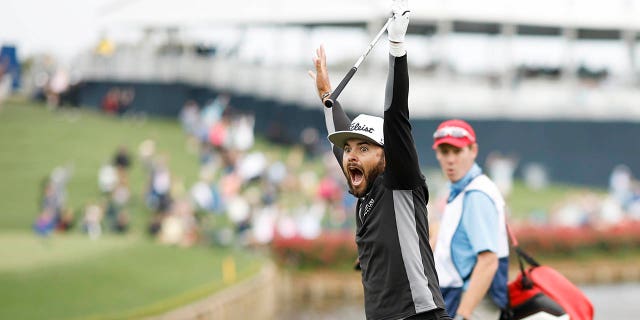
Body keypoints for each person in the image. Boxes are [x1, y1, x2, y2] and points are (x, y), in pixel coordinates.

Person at [309, 1, 449, 319]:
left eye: (364, 148)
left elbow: (396, 115)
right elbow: (341, 140)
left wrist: (396, 48)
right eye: (349, 150)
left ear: (386, 156)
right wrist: (326, 96)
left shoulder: (399, 180)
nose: (352, 156)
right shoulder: (365, 184)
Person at [431, 120, 509, 320]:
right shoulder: (459, 189)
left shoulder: (476, 195)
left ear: (473, 150)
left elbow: (488, 261)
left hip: (473, 302)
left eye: (457, 151)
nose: (450, 159)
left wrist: (463, 313)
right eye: (444, 151)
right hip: (458, 296)